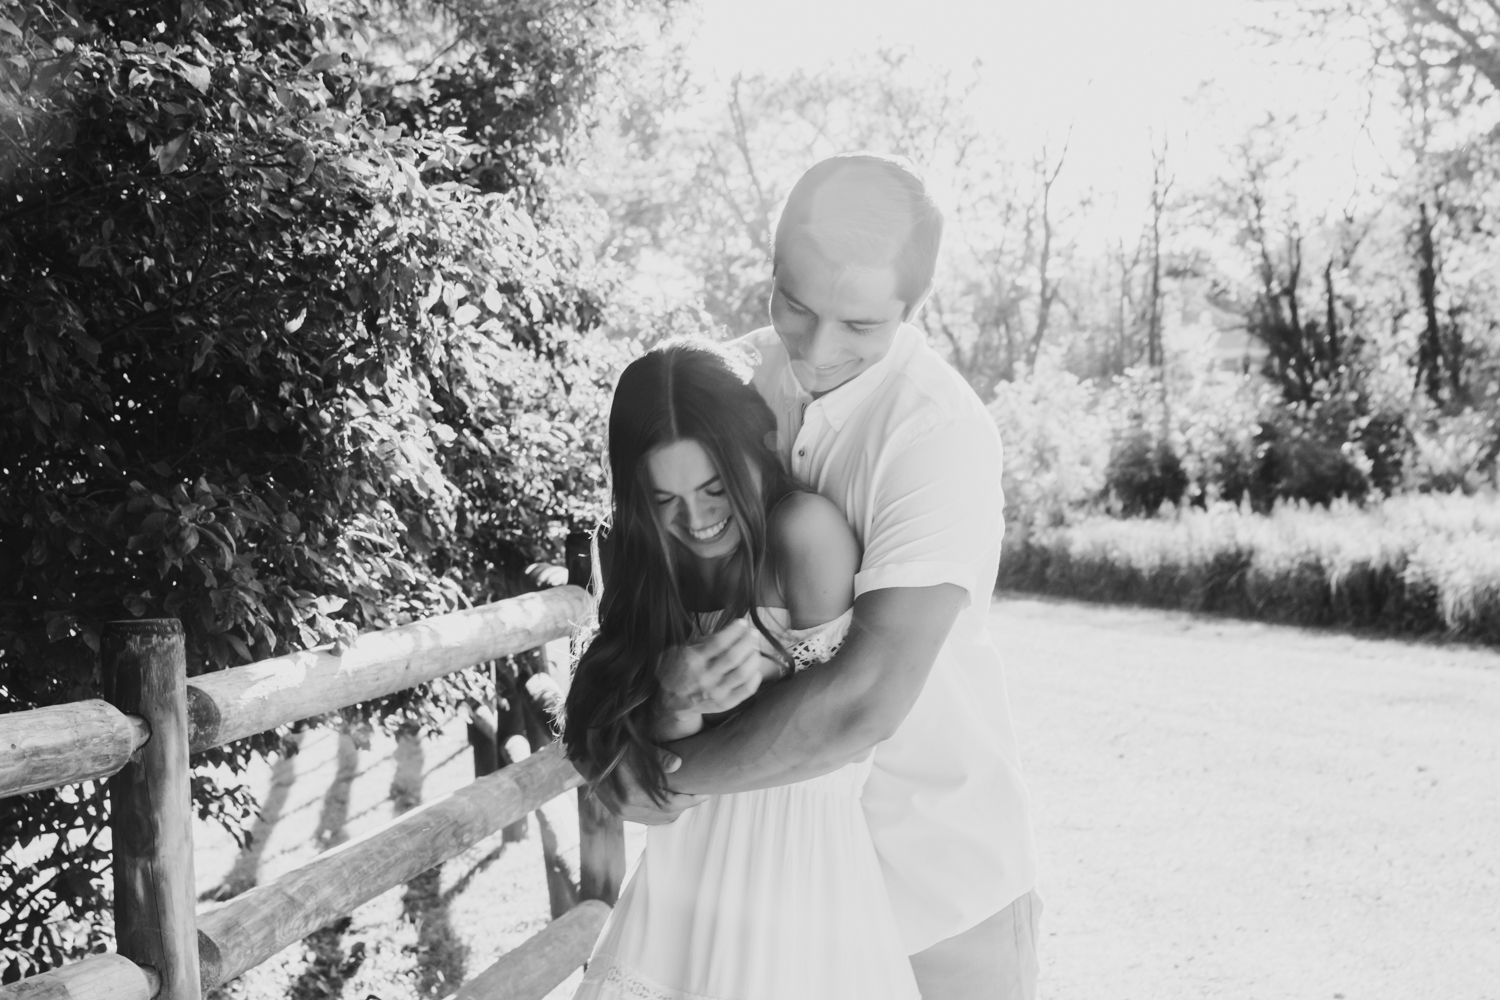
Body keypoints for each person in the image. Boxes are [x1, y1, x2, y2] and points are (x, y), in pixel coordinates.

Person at [605, 154, 1041, 1000]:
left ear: (914, 307)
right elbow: (645, 589)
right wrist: (640, 718)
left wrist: (661, 776)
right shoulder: (727, 388)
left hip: (933, 891)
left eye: (861, 325)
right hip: (761, 897)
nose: (817, 349)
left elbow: (863, 700)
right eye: (795, 306)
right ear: (772, 267)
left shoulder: (937, 434)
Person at [563, 340, 922, 1000]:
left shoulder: (803, 533)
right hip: (676, 893)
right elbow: (614, 757)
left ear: (759, 449)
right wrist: (672, 702)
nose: (696, 520)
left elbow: (839, 741)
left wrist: (662, 760)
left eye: (713, 488)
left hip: (795, 883)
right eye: (664, 499)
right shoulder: (641, 557)